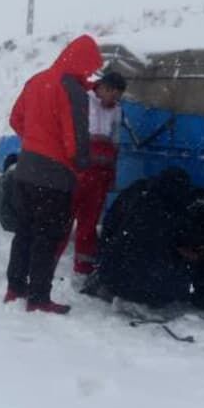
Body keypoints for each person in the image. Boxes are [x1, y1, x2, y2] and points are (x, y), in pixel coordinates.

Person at [5, 34, 104, 314]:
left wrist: (36, 142)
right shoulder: (71, 89)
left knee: (24, 232)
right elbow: (76, 139)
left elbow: (15, 119)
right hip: (54, 178)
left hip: (25, 171)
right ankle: (38, 298)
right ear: (84, 62)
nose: (90, 73)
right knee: (46, 237)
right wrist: (83, 165)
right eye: (91, 66)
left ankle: (15, 288)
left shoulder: (37, 80)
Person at [89, 167, 199, 307]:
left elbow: (109, 225)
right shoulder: (179, 211)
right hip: (151, 292)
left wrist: (102, 261)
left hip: (111, 277)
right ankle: (140, 295)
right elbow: (187, 250)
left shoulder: (136, 193)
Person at [60, 70, 127, 275]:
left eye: (118, 97)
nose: (115, 100)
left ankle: (84, 266)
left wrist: (110, 175)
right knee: (63, 219)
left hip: (99, 178)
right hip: (77, 174)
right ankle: (47, 261)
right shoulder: (82, 101)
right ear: (103, 88)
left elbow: (115, 143)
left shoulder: (117, 110)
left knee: (89, 225)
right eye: (113, 95)